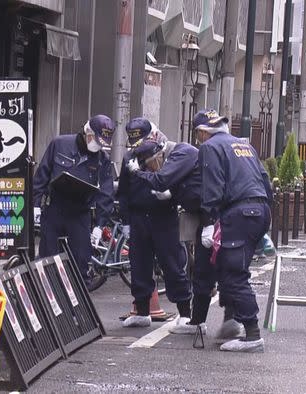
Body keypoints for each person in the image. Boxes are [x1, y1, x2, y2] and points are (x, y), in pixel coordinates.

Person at [194, 109, 273, 353]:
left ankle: (252, 333)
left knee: (233, 274)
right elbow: (265, 180)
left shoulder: (210, 148)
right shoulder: (243, 145)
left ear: (202, 132)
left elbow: (212, 186)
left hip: (238, 213)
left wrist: (208, 222)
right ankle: (234, 322)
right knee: (235, 269)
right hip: (259, 211)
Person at [118, 117, 192, 327]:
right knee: (139, 265)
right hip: (138, 216)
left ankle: (185, 312)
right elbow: (123, 192)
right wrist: (125, 221)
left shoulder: (167, 152)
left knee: (172, 264)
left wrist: (172, 196)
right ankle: (142, 311)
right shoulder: (129, 158)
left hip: (164, 217)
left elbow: (179, 182)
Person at [33, 115, 115, 287]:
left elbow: (105, 194)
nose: (98, 145)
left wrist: (100, 225)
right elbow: (42, 175)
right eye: (97, 140)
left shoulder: (103, 159)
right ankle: (49, 305)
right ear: (87, 132)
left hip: (80, 214)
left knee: (80, 263)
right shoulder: (59, 144)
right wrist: (35, 206)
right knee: (49, 262)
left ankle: (77, 310)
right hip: (54, 210)